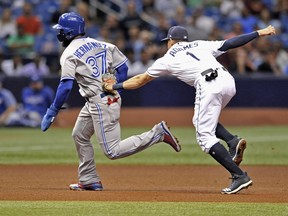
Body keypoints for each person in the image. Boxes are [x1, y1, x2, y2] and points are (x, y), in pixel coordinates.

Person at [104, 25, 276, 194]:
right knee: (201, 121)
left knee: (204, 136)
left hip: (209, 84)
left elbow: (140, 80)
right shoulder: (201, 44)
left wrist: (116, 86)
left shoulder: (167, 58)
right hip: (228, 81)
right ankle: (231, 140)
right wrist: (259, 33)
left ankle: (239, 176)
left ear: (171, 41)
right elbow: (231, 43)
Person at [40, 12, 181, 191]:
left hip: (100, 101)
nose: (58, 33)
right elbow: (123, 66)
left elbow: (66, 86)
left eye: (61, 30)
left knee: (112, 151)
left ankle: (158, 133)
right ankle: (89, 179)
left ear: (68, 32)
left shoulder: (69, 53)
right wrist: (116, 88)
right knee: (80, 135)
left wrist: (53, 110)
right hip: (97, 99)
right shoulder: (103, 44)